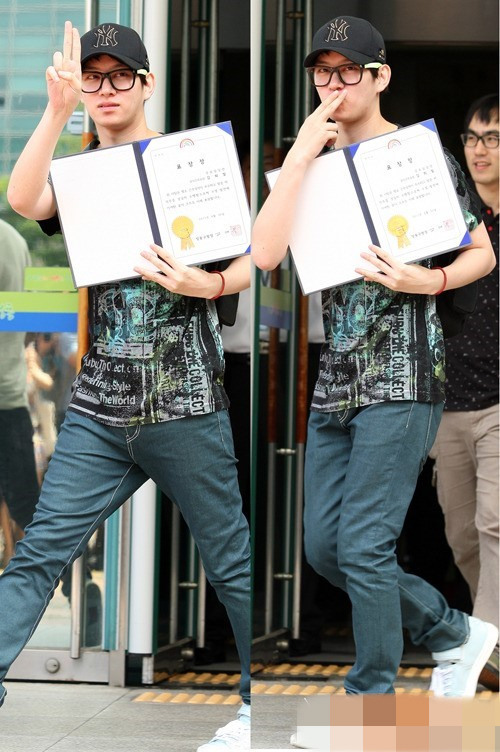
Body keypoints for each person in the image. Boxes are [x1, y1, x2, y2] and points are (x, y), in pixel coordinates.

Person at [4, 21, 251, 750]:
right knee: (41, 548)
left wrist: (206, 284)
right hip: (100, 409)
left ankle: (254, 708)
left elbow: (248, 261)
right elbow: (24, 199)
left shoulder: (189, 162)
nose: (105, 90)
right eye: (93, 78)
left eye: (119, 77)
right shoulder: (80, 171)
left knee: (230, 559)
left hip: (185, 404)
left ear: (148, 84)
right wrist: (55, 111)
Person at [252, 15, 497, 698]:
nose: (332, 84)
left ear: (379, 76)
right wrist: (300, 156)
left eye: (347, 70)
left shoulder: (417, 156)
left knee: (362, 544)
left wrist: (429, 279)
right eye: (321, 72)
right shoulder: (310, 163)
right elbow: (264, 254)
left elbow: (481, 253)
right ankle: (455, 633)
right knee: (325, 549)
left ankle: (371, 700)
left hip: (404, 375)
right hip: (336, 381)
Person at [432, 93, 499, 691]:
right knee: (463, 535)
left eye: (493, 138)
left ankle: (485, 653)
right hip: (448, 399)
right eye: (472, 138)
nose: (480, 150)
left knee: (495, 523)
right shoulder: (443, 216)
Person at [0, 220, 40, 533]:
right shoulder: (13, 239)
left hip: (10, 396)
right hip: (10, 396)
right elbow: (31, 324)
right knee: (27, 509)